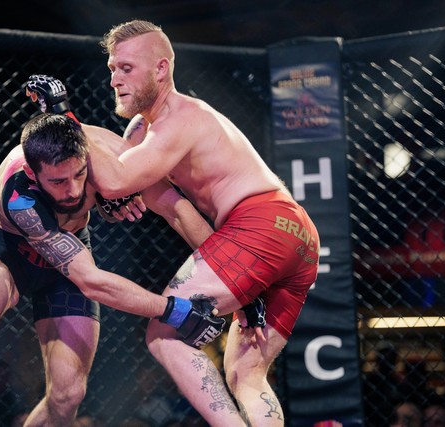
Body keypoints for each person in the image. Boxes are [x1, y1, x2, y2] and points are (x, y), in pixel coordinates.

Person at [71, 19, 320, 426]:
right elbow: (176, 211)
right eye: (112, 68)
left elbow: (115, 179)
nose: (114, 79)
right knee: (246, 373)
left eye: (126, 68)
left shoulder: (180, 119)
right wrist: (244, 289)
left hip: (259, 224)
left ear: (161, 69)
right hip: (295, 235)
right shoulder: (144, 131)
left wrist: (64, 119)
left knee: (164, 334)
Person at [0, 113, 227, 426]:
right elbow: (92, 282)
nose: (74, 190)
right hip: (8, 248)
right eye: (58, 182)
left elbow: (176, 209)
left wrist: (229, 274)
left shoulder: (107, 156)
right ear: (32, 173)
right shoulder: (20, 195)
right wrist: (176, 311)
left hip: (68, 252)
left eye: (79, 175)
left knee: (68, 394)